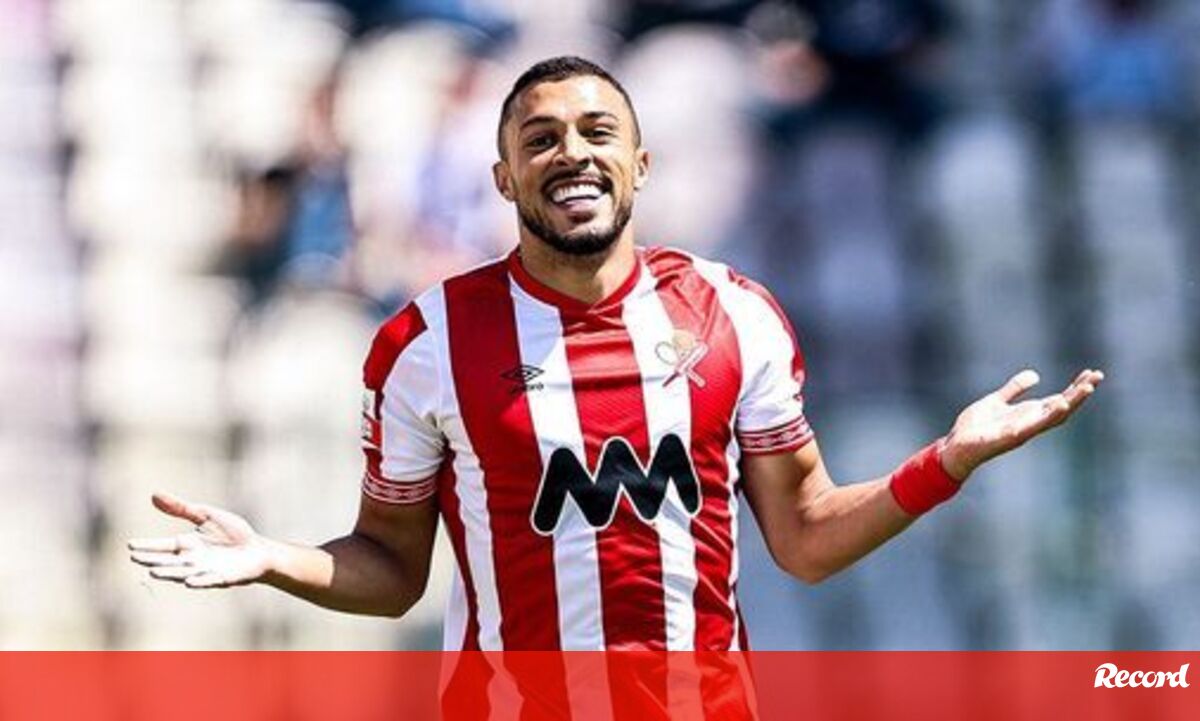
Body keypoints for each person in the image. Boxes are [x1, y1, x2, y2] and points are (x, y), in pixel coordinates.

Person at [129, 57, 1103, 655]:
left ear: (641, 163)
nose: (572, 153)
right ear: (504, 176)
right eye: (541, 138)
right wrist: (274, 558)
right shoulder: (427, 342)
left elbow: (806, 537)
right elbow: (391, 569)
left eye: (599, 132)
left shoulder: (734, 313)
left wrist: (947, 462)